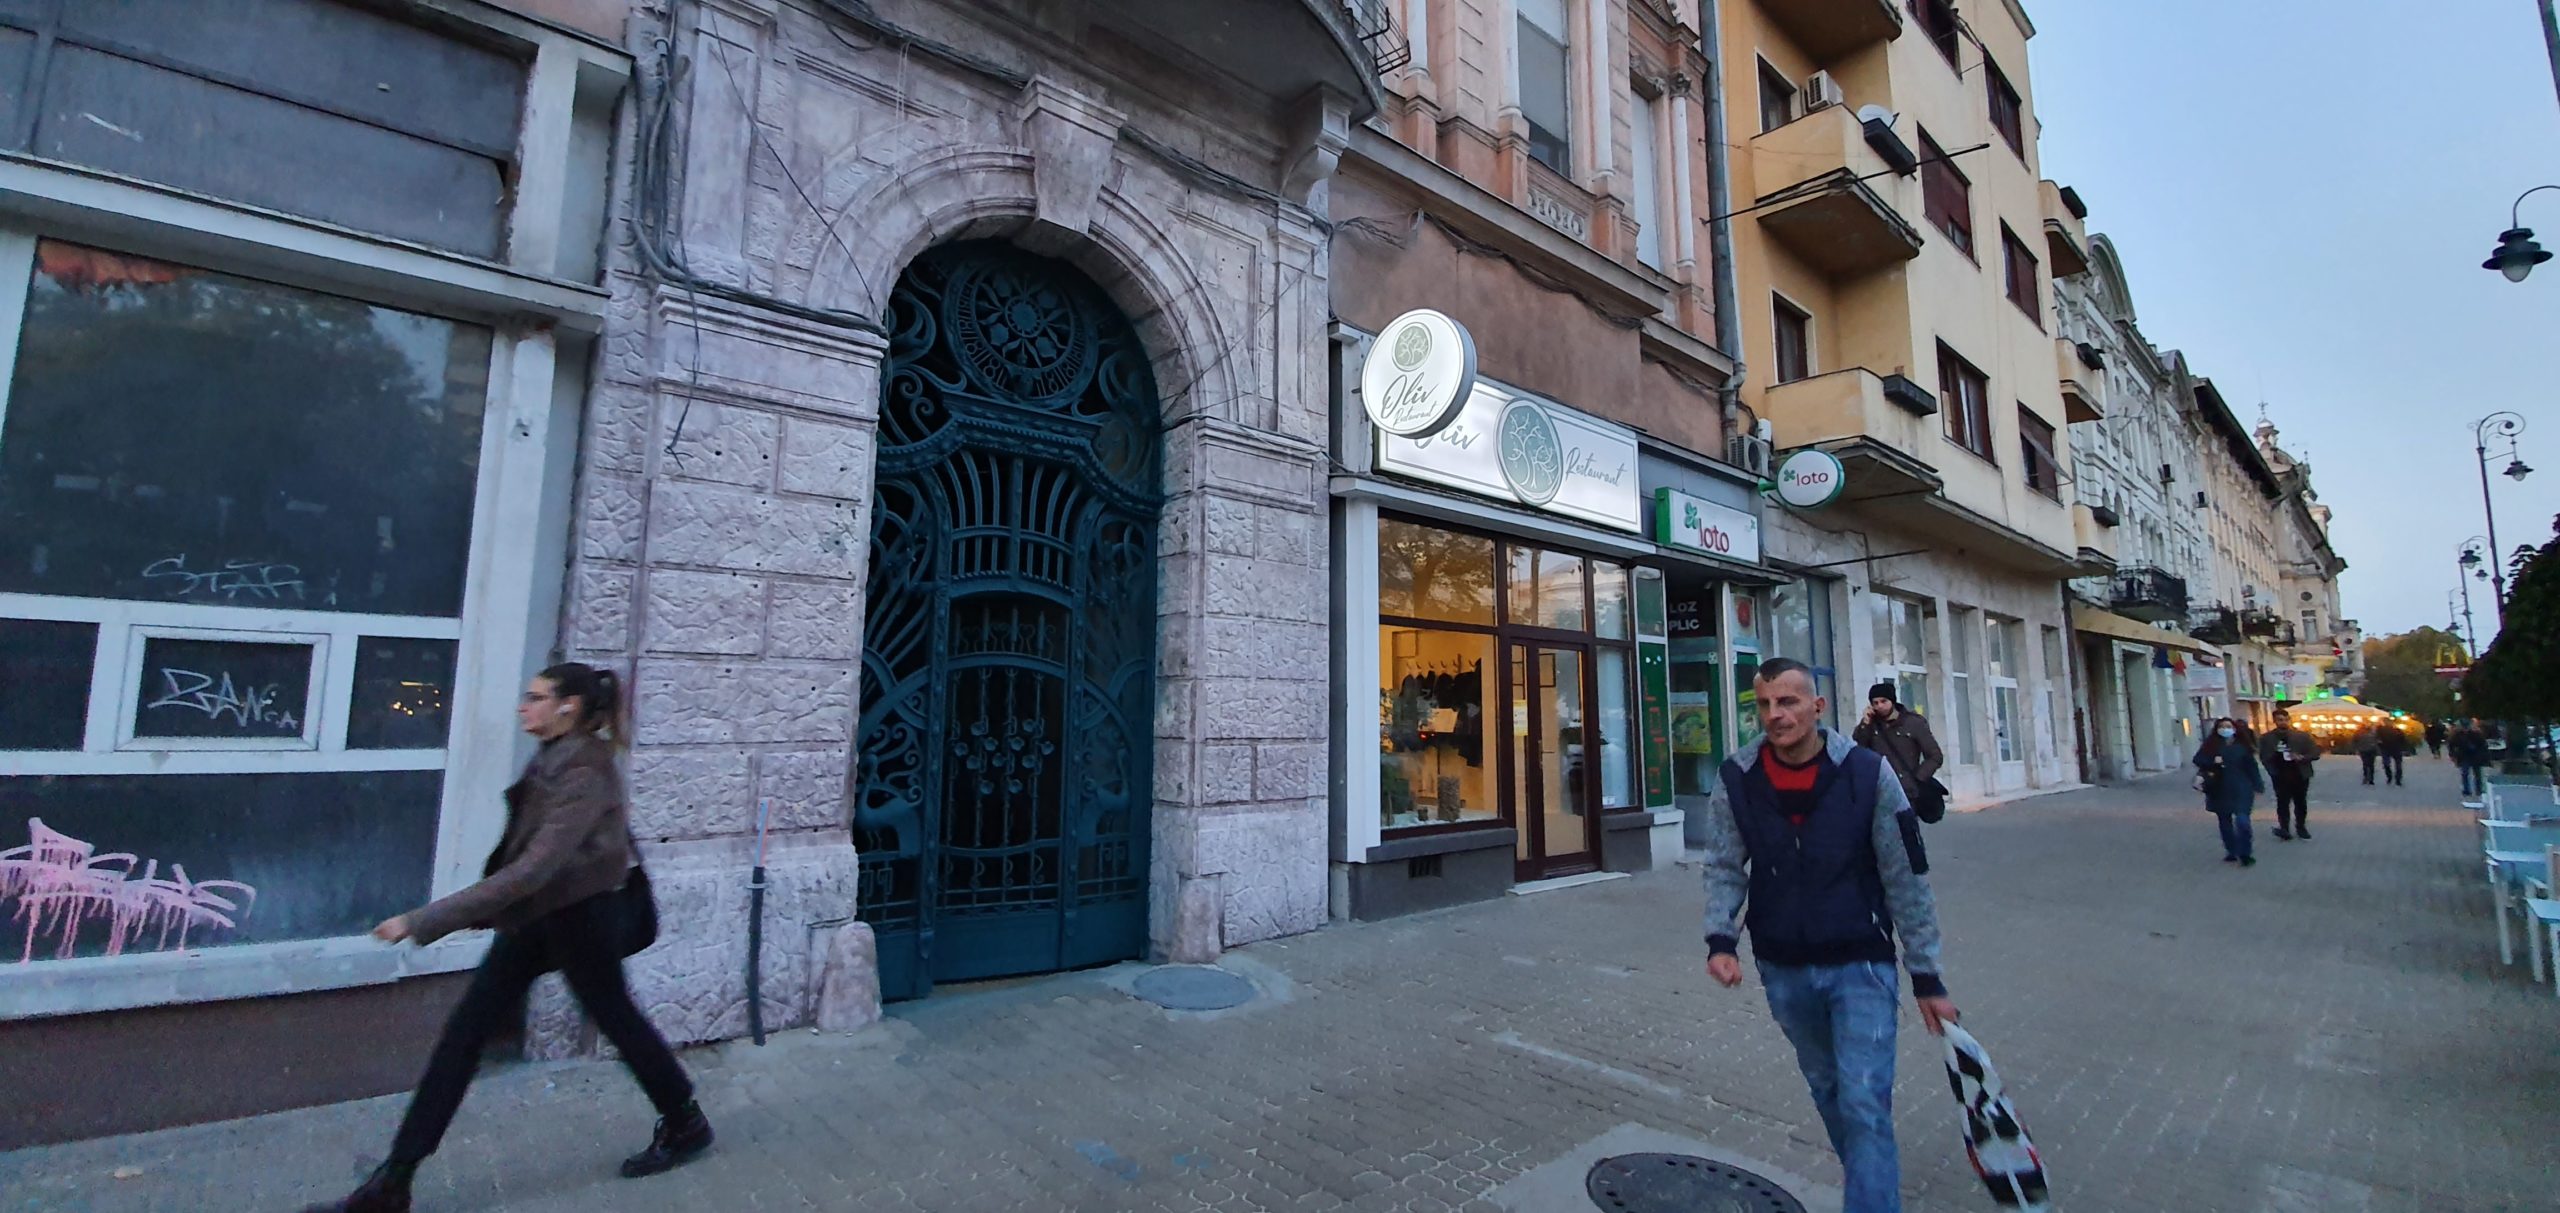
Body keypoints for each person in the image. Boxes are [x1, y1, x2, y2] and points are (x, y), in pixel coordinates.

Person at [302, 663, 711, 1213]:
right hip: (544, 914)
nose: (524, 706)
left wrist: (424, 920)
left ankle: (685, 1120)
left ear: (567, 707)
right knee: (469, 1031)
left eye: (536, 697)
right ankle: (393, 1182)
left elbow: (532, 870)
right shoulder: (557, 755)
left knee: (611, 1016)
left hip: (581, 918)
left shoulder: (584, 772)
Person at [1702, 659, 1954, 1213]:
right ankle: (1870, 1180)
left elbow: (1906, 876)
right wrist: (1721, 938)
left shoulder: (1866, 773)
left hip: (1860, 965)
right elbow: (1723, 863)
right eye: (1764, 704)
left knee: (1864, 1101)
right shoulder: (1738, 777)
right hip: (1783, 968)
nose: (1775, 714)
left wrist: (1927, 976)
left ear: (1817, 707)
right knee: (1830, 1092)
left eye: (1788, 701)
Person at [1853, 682, 1946, 873]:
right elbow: (1858, 750)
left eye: (1883, 701)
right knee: (1879, 840)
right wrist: (1865, 724)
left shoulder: (1913, 723)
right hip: (1879, 791)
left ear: (1893, 701)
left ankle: (1916, 876)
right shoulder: (1871, 725)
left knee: (1907, 840)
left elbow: (1935, 756)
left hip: (1907, 793)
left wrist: (1918, 778)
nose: (1879, 706)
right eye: (1875, 703)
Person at [2196, 716, 2266, 867]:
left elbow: (2252, 767)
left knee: (2243, 821)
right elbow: (2198, 760)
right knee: (2225, 822)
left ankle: (2245, 852)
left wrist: (2258, 785)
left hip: (2241, 788)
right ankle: (2231, 850)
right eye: (2222, 727)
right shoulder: (2211, 745)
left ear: (2234, 729)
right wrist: (2212, 761)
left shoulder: (2242, 747)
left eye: (2228, 726)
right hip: (2219, 788)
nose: (2225, 729)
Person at [2258, 707, 2319, 841]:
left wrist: (2302, 757)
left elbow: (2315, 753)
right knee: (2282, 803)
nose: (2283, 722)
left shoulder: (2302, 736)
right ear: (2274, 721)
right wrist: (2272, 771)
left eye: (2286, 719)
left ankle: (2301, 827)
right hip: (2280, 775)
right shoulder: (2267, 738)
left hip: (2300, 774)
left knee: (2300, 802)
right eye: (2280, 720)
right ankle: (2284, 828)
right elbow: (2264, 757)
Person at [2451, 719, 2491, 799]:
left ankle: (2476, 789)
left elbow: (2482, 745)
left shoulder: (2474, 734)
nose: (2465, 728)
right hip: (2465, 756)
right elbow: (2452, 745)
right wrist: (2454, 754)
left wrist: (2453, 754)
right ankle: (2470, 790)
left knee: (2475, 773)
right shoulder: (2459, 735)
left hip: (2473, 756)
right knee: (2467, 773)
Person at [2377, 720, 2411, 787]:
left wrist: (2381, 746)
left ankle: (2390, 777)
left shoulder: (2381, 731)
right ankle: (2397, 779)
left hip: (2386, 749)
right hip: (2396, 749)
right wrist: (2404, 748)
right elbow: (2403, 740)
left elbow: (2378, 739)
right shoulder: (2397, 731)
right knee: (2398, 765)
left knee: (2387, 764)